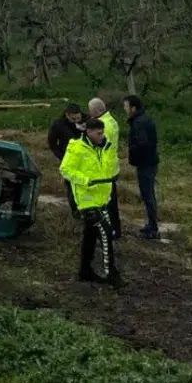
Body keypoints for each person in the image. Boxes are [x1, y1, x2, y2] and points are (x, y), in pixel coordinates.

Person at [60, 118, 124, 287]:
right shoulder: (77, 148)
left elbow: (110, 166)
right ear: (88, 132)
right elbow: (65, 170)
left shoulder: (106, 146)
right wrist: (85, 180)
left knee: (90, 235)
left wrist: (115, 173)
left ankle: (85, 270)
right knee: (106, 232)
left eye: (102, 132)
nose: (101, 136)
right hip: (86, 199)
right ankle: (111, 274)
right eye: (98, 133)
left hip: (102, 197)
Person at [123, 95, 160, 240]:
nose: (125, 109)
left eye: (126, 106)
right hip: (149, 162)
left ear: (133, 108)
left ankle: (153, 228)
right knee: (148, 195)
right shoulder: (142, 119)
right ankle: (151, 225)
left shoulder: (139, 122)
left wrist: (130, 150)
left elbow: (143, 144)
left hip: (146, 164)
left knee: (148, 196)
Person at [89, 97, 122, 240]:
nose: (90, 114)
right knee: (111, 202)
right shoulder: (112, 121)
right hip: (112, 167)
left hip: (104, 169)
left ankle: (111, 230)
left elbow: (98, 145)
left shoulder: (103, 125)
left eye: (91, 112)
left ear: (97, 111)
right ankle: (115, 229)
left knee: (107, 203)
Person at [47, 102, 85, 217]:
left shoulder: (86, 120)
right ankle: (75, 211)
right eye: (73, 119)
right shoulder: (58, 125)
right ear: (67, 115)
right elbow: (52, 143)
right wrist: (61, 156)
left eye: (78, 118)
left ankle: (86, 208)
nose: (76, 120)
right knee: (71, 186)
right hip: (68, 159)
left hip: (86, 159)